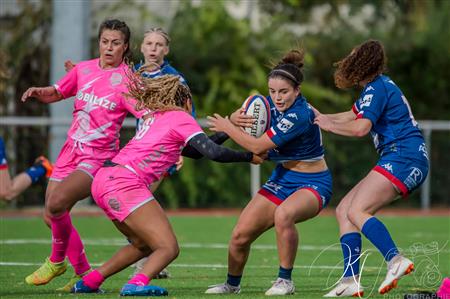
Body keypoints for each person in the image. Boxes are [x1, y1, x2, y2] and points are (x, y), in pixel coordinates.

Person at [71, 74, 263, 296]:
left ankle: (90, 282)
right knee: (168, 247)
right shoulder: (182, 118)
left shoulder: (158, 116)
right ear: (187, 101)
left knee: (141, 244)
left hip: (104, 179)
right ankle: (136, 284)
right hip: (125, 183)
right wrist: (249, 157)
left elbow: (194, 152)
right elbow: (214, 153)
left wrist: (228, 128)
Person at [21, 19, 147, 291]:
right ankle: (82, 272)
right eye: (104, 41)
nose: (109, 47)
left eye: (115, 43)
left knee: (56, 204)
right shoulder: (84, 69)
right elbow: (58, 91)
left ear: (125, 47)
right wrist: (40, 92)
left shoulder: (128, 79)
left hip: (98, 157)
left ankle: (56, 262)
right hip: (70, 150)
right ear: (99, 42)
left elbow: (146, 115)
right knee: (51, 214)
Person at [205, 48, 332, 296]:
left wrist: (227, 126)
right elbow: (259, 146)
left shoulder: (300, 114)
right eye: (272, 91)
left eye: (284, 92)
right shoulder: (266, 107)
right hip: (282, 179)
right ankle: (232, 285)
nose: (277, 97)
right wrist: (235, 119)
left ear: (297, 90)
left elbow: (256, 146)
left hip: (313, 182)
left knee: (284, 215)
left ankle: (285, 281)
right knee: (240, 235)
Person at [313, 40, 429, 297]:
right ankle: (350, 281)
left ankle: (395, 260)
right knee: (344, 210)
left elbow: (360, 127)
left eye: (353, 56)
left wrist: (328, 126)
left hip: (403, 157)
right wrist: (319, 117)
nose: (348, 59)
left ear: (362, 62)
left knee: (357, 209)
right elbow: (353, 114)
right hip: (401, 157)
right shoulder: (377, 88)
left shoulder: (376, 88)